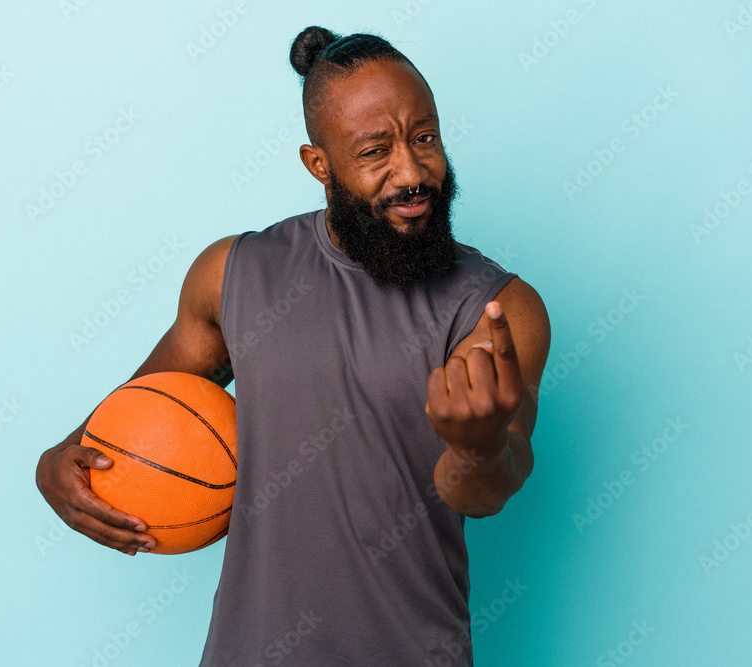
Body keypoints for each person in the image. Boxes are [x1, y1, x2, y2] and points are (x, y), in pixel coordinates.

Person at [36, 25, 551, 665]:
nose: (412, 173)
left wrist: (476, 450)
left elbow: (487, 489)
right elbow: (120, 424)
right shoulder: (233, 275)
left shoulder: (497, 308)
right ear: (319, 164)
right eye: (375, 151)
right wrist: (54, 466)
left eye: (425, 138)